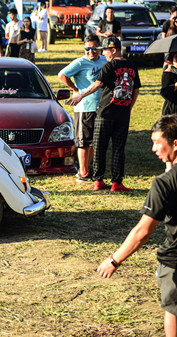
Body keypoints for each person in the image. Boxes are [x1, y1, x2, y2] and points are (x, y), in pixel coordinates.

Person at [96, 114, 177, 337]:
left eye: (157, 143)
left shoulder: (164, 184)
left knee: (173, 310)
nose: (153, 149)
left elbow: (143, 231)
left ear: (175, 143)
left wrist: (114, 260)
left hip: (175, 262)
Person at [66, 37, 141, 192]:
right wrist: (128, 108)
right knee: (119, 148)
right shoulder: (132, 66)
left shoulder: (109, 66)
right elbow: (135, 90)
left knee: (100, 147)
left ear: (113, 50)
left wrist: (80, 95)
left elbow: (97, 84)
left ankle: (98, 181)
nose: (103, 53)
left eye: (105, 50)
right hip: (123, 114)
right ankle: (117, 183)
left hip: (105, 113)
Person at [59, 35, 107, 182]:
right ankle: (82, 172)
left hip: (100, 106)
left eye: (94, 48)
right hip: (85, 107)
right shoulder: (80, 62)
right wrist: (74, 89)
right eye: (87, 48)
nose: (90, 51)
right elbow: (62, 74)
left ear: (99, 48)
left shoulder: (104, 60)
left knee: (94, 140)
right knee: (84, 141)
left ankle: (87, 169)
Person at [160, 52, 177, 172]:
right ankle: (169, 168)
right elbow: (165, 93)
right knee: (170, 138)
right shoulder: (168, 73)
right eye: (176, 57)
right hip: (171, 109)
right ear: (171, 59)